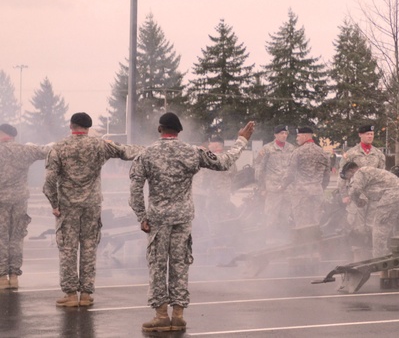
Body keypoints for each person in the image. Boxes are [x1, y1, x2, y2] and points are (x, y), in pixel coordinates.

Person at [129, 113, 252, 333]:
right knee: (180, 264)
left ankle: (160, 315)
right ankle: (178, 315)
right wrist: (242, 140)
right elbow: (224, 162)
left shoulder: (146, 154)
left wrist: (141, 216)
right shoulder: (192, 151)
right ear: (178, 132)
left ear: (160, 129)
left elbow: (135, 189)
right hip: (183, 218)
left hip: (157, 219)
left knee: (158, 265)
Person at [43, 112, 140, 308]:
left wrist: (54, 204)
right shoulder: (100, 145)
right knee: (89, 247)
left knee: (68, 249)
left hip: (67, 207)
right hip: (92, 205)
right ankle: (86, 294)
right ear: (88, 127)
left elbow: (49, 183)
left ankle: (70, 294)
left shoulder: (58, 148)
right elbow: (127, 152)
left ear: (71, 126)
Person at [0, 123, 49, 290]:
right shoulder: (24, 150)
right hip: (20, 200)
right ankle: (14, 276)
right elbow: (46, 151)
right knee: (16, 238)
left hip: (0, 201)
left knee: (1, 238)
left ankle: (1, 277)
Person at [340, 162, 399, 258]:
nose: (349, 180)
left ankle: (379, 260)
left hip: (392, 196)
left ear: (351, 171)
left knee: (379, 229)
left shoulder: (360, 172)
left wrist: (357, 201)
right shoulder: (371, 172)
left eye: (348, 177)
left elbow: (355, 191)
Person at [341, 123, 385, 259]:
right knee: (357, 226)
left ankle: (372, 256)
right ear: (360, 135)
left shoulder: (378, 154)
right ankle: (358, 257)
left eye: (372, 134)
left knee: (372, 225)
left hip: (373, 196)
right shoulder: (351, 154)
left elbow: (382, 175)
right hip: (356, 195)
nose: (370, 136)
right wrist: (344, 194)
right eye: (367, 134)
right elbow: (342, 176)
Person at [281, 126, 330, 230]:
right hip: (317, 193)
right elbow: (326, 177)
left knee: (302, 225)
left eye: (298, 136)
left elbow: (290, 174)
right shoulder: (323, 153)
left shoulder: (298, 152)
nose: (296, 138)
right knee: (315, 224)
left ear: (305, 136)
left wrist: (282, 186)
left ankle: (302, 245)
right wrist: (319, 188)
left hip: (301, 194)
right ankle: (315, 244)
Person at [253, 124, 295, 239]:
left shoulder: (291, 148)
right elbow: (259, 168)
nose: (284, 135)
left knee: (285, 215)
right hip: (272, 189)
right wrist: (262, 187)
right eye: (281, 133)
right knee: (271, 216)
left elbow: (294, 168)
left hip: (287, 189)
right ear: (275, 135)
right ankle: (270, 240)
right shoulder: (267, 149)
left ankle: (284, 240)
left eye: (286, 133)